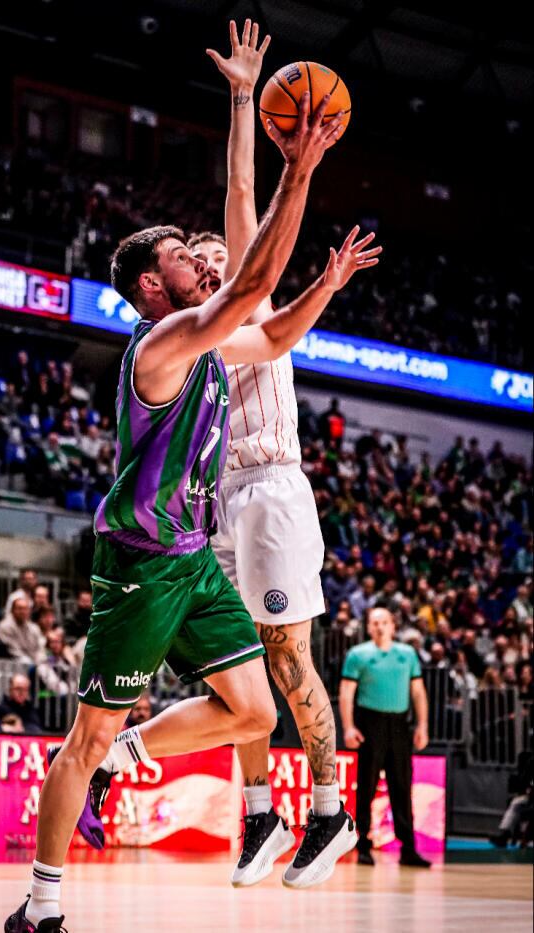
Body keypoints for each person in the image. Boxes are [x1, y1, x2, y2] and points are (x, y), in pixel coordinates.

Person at [5, 24, 369, 929]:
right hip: (140, 560)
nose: (194, 256)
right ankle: (41, 905)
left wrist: (253, 113)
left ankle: (152, 751)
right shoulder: (165, 342)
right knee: (81, 740)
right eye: (179, 256)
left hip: (196, 547)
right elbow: (250, 289)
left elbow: (275, 330)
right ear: (155, 289)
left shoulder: (214, 335)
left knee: (252, 710)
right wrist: (303, 164)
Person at [188, 21, 377, 887]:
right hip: (227, 497)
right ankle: (262, 814)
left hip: (274, 487)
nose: (209, 256)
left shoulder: (251, 304)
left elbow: (241, 186)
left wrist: (241, 96)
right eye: (195, 257)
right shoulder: (189, 338)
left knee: (288, 654)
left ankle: (331, 811)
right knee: (239, 667)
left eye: (219, 252)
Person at [339, 605, 431, 867]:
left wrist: (422, 725)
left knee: (401, 786)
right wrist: (348, 727)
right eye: (374, 622)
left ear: (393, 625)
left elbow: (418, 692)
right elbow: (346, 693)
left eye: (384, 622)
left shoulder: (407, 654)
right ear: (368, 627)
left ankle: (409, 848)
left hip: (400, 724)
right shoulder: (358, 655)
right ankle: (364, 844)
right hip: (370, 723)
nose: (379, 626)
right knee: (366, 786)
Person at [0, 596, 46, 663]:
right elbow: (13, 650)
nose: (23, 612)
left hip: (34, 661)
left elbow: (40, 647)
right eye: (20, 608)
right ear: (12, 610)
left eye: (26, 609)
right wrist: (32, 663)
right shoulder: (5, 626)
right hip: (14, 662)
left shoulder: (34, 627)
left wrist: (39, 660)